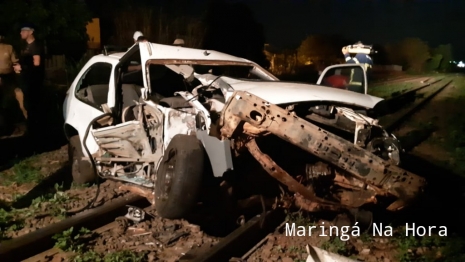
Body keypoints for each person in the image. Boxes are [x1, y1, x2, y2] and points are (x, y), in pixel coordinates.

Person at [12, 23, 45, 138]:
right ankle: (31, 129)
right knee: (26, 104)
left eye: (24, 31)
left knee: (32, 105)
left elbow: (37, 64)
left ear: (31, 32)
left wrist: (22, 68)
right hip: (26, 80)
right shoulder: (25, 46)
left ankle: (35, 131)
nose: (21, 33)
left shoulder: (35, 46)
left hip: (33, 81)